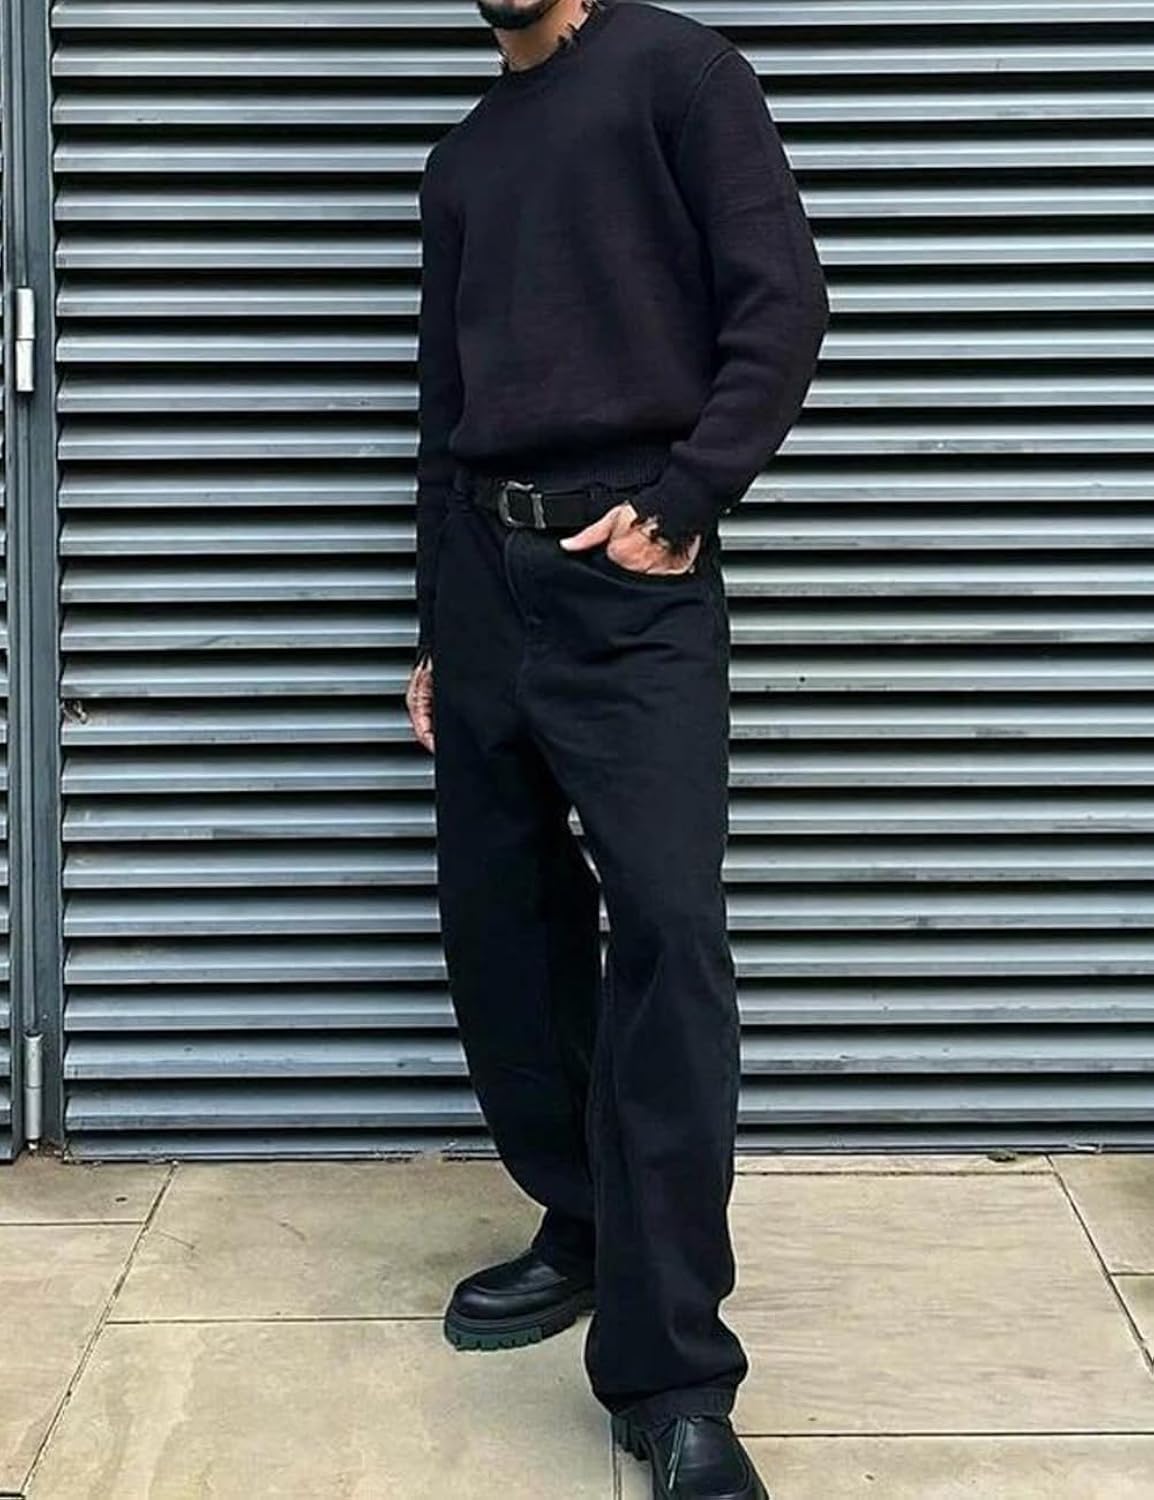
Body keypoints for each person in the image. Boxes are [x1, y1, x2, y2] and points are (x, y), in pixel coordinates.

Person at [405, 1, 829, 1494]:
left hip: (629, 583)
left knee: (664, 938)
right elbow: (442, 414)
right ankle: (581, 1220)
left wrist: (688, 495)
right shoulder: (463, 159)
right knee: (504, 936)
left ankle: (672, 1382)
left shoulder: (680, 74)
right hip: (486, 585)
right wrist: (434, 631)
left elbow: (782, 305)